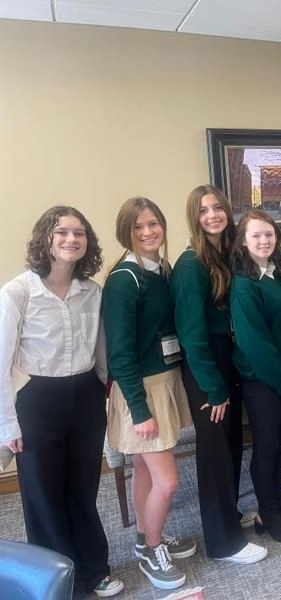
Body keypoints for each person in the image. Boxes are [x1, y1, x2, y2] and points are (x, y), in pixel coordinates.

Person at [0, 206, 123, 598]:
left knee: (83, 489)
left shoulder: (93, 291)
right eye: (62, 232)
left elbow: (101, 353)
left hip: (85, 396)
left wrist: (104, 397)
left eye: (79, 233)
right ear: (46, 239)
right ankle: (58, 581)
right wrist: (7, 424)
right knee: (43, 495)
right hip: (38, 400)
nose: (72, 239)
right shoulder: (18, 291)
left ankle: (94, 569)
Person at [170, 185, 267, 564]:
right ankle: (224, 544)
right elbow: (191, 336)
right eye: (203, 210)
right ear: (194, 217)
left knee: (230, 446)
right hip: (205, 369)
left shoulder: (228, 254)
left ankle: (228, 515)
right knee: (213, 453)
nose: (212, 215)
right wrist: (213, 388)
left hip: (228, 360)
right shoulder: (190, 265)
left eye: (218, 208)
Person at [103, 197, 196, 591]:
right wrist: (139, 411)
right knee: (169, 481)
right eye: (139, 226)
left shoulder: (161, 270)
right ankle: (151, 551)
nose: (148, 232)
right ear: (127, 231)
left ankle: (146, 537)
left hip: (165, 379)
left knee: (145, 469)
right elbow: (119, 354)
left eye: (154, 224)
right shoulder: (125, 280)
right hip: (140, 390)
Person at [229, 210, 281, 542]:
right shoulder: (244, 285)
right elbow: (254, 343)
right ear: (243, 242)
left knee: (278, 445)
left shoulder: (275, 276)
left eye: (269, 234)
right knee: (267, 447)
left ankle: (273, 507)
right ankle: (270, 513)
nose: (264, 241)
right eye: (256, 235)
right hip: (262, 382)